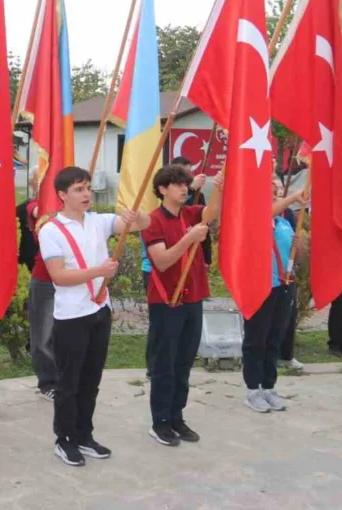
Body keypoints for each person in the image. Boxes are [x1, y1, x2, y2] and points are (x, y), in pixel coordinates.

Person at [38, 167, 148, 467]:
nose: (87, 194)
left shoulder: (99, 222)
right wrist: (98, 272)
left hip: (100, 311)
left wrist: (133, 218)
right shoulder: (51, 230)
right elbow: (58, 276)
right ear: (62, 195)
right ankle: (64, 439)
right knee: (69, 382)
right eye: (78, 189)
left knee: (91, 380)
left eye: (87, 188)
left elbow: (144, 224)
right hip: (71, 316)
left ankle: (84, 435)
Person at [143, 164, 224, 447]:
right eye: (177, 184)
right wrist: (189, 239)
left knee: (184, 362)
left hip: (193, 298)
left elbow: (211, 214)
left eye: (186, 184)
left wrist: (220, 188)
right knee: (165, 363)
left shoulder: (190, 213)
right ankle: (160, 421)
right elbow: (162, 260)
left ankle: (177, 416)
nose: (184, 188)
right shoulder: (153, 221)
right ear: (163, 189)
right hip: (167, 300)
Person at [242, 182, 305, 413]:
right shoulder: (253, 218)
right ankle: (252, 390)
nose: (276, 190)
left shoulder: (284, 224)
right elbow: (264, 215)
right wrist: (294, 197)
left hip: (284, 287)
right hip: (260, 288)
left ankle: (268, 387)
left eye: (277, 186)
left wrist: (299, 246)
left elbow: (298, 259)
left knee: (274, 339)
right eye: (270, 186)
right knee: (256, 340)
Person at [25, 201, 56, 401]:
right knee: (43, 335)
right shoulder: (35, 206)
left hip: (75, 280)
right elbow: (40, 212)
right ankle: (48, 382)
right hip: (45, 281)